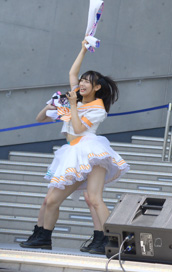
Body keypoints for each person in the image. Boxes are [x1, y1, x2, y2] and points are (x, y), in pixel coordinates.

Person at [20, 39, 129, 253]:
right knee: (55, 199)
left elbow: (78, 128)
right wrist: (82, 50)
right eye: (82, 80)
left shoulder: (96, 109)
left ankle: (110, 241)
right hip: (73, 151)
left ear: (97, 87)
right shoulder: (76, 102)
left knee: (93, 199)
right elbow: (71, 74)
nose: (82, 83)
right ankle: (44, 237)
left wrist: (71, 105)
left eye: (88, 81)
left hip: (89, 150)